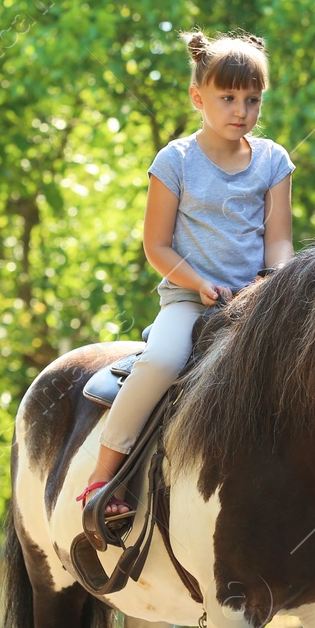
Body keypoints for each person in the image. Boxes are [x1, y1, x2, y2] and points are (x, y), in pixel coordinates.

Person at [80, 29, 295, 521]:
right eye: (227, 97)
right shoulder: (174, 161)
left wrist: (272, 282)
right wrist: (198, 284)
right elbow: (155, 244)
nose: (241, 110)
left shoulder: (274, 162)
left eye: (252, 99)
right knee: (161, 361)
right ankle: (104, 475)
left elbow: (279, 239)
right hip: (189, 299)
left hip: (256, 304)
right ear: (198, 97)